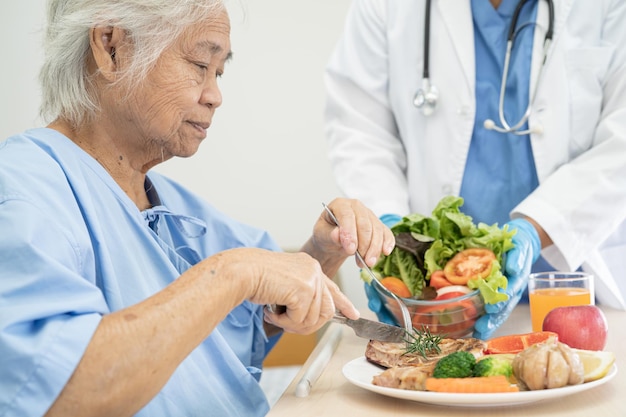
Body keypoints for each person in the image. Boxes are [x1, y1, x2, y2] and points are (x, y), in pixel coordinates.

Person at [0, 1, 396, 416]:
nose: (216, 96)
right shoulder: (24, 191)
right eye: (199, 65)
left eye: (219, 72)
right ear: (111, 47)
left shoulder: (168, 203)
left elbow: (232, 333)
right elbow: (57, 391)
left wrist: (323, 252)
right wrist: (235, 273)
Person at [324, 0, 626, 339]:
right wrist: (388, 229)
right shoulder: (385, 7)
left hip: (579, 289)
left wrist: (535, 230)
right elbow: (359, 128)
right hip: (438, 304)